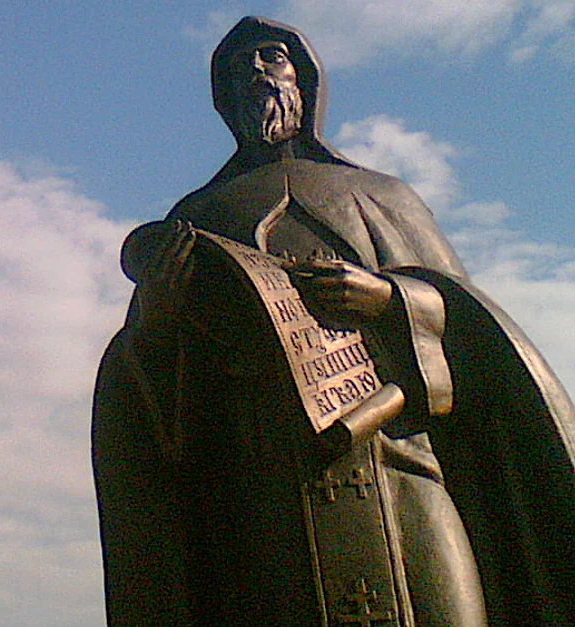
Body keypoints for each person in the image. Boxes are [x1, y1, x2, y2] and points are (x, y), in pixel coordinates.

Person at [93, 16, 575, 626]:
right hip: (270, 499)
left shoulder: (381, 196)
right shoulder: (199, 216)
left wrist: (387, 297)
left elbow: (471, 332)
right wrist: (158, 317)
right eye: (237, 69)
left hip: (402, 472)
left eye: (271, 57)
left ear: (305, 79)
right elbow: (157, 390)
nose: (255, 73)